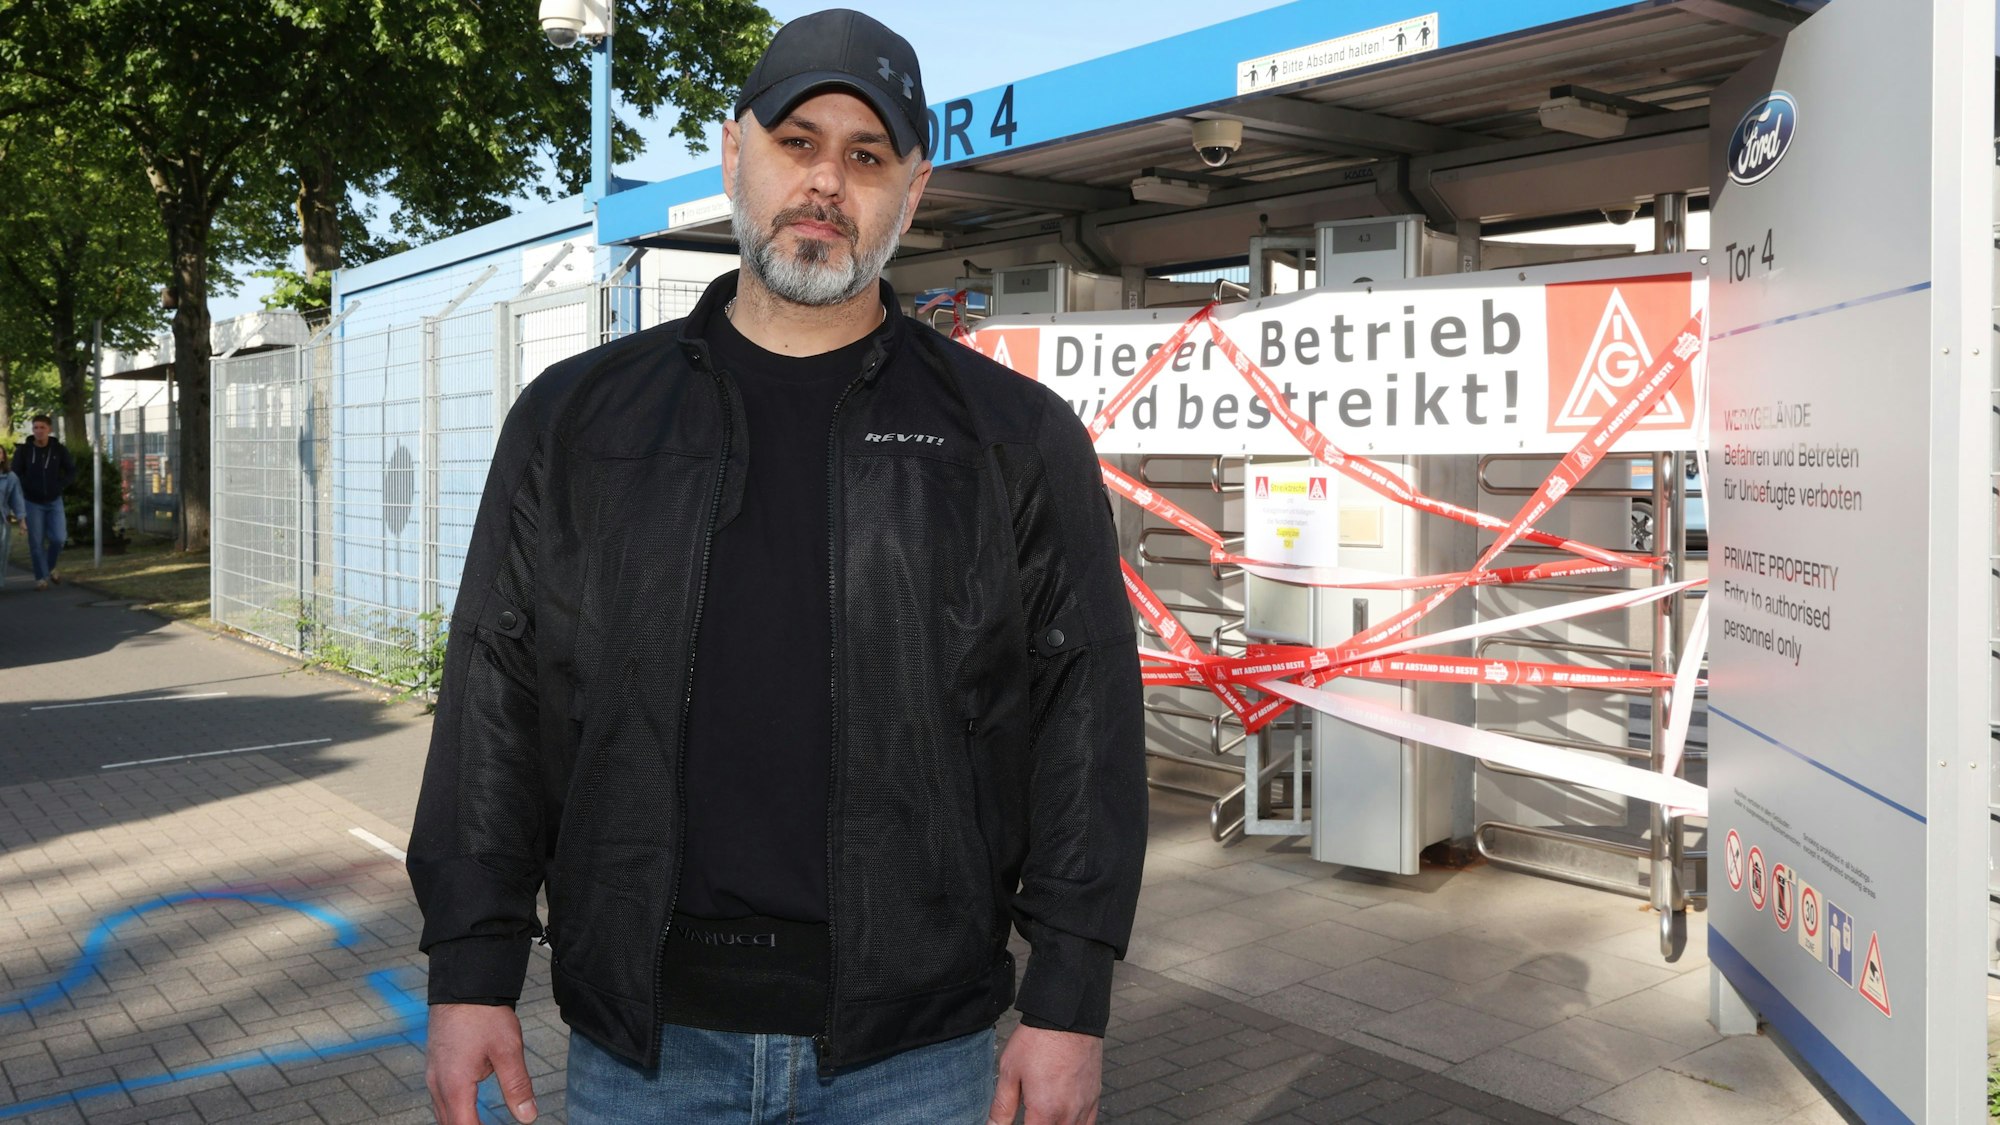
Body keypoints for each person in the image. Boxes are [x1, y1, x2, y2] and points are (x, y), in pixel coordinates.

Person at [408, 9, 1146, 1125]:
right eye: (797, 141)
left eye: (866, 156)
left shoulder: (1009, 436)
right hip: (645, 1046)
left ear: (912, 188)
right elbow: (494, 694)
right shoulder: (578, 419)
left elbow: (1083, 718)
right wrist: (471, 970)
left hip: (915, 1054)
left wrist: (1069, 999)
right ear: (732, 150)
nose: (825, 183)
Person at [11, 415, 74, 590]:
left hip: (54, 500)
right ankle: (41, 578)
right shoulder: (24, 451)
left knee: (59, 538)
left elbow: (70, 471)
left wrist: (59, 485)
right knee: (36, 542)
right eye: (35, 427)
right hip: (32, 502)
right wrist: (25, 488)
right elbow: (15, 474)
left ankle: (50, 565)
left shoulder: (58, 450)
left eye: (42, 428)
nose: (38, 431)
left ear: (50, 429)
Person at [0, 450, 24, 586]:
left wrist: (22, 521)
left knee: (2, 553)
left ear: (3, 457)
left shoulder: (10, 477)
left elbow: (17, 500)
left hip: (2, 520)